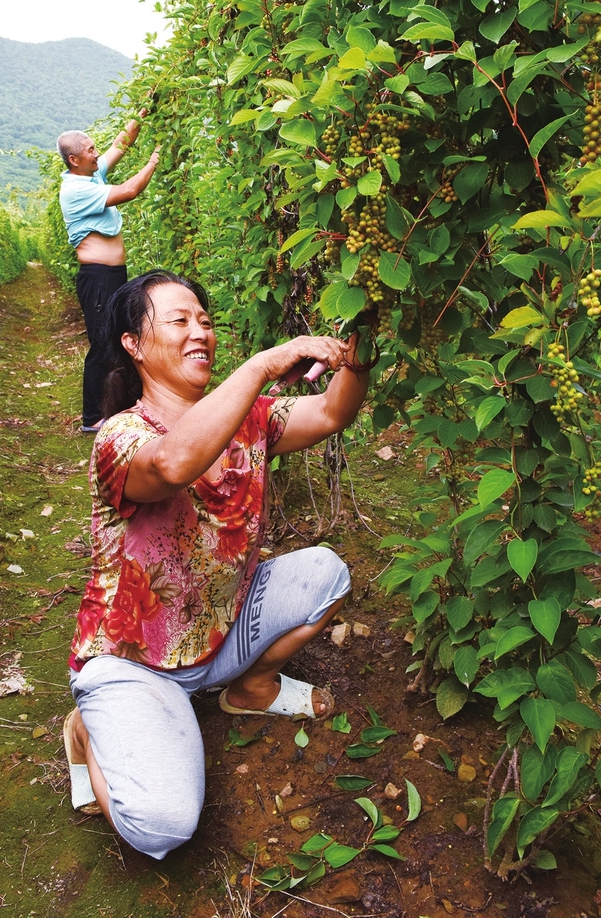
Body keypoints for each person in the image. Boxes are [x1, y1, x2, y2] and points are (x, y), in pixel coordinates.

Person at [61, 268, 374, 860]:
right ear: (134, 345)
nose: (198, 330)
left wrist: (358, 356)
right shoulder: (120, 436)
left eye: (203, 319)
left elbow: (332, 414)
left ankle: (249, 686)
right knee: (162, 826)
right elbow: (174, 463)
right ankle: (87, 733)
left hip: (217, 634)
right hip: (133, 662)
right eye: (178, 321)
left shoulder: (249, 423)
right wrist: (258, 366)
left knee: (326, 573)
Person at [57, 113, 159, 432]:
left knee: (117, 340)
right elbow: (129, 190)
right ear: (75, 159)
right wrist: (155, 160)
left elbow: (120, 145)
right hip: (98, 278)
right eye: (90, 149)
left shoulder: (90, 176)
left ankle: (115, 409)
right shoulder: (76, 189)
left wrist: (140, 115)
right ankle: (92, 419)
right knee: (102, 345)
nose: (96, 152)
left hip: (111, 277)